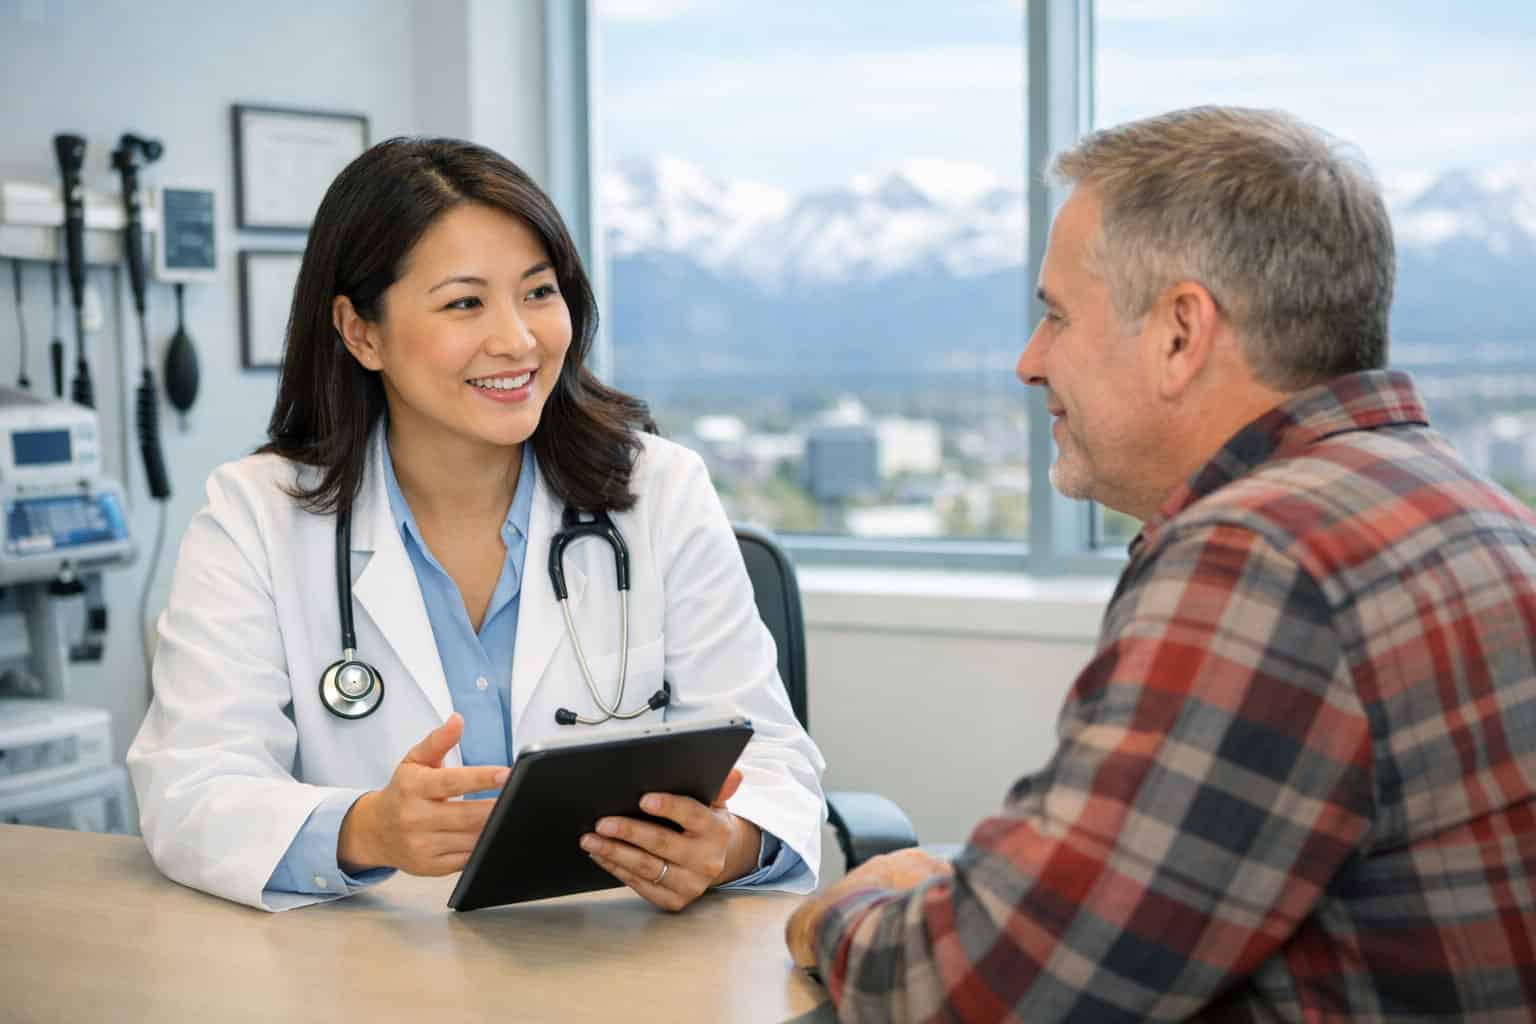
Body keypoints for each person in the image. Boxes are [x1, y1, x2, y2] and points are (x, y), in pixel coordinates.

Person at [786, 106, 1536, 1020]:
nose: (1028, 363)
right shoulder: (1468, 508)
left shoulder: (1265, 562)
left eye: (1056, 317)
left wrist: (851, 907)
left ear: (1181, 333)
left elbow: (996, 988)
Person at [128, 137, 825, 912]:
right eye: (465, 303)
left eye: (539, 292)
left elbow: (772, 758)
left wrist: (727, 844)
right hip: (373, 962)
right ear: (361, 332)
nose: (518, 340)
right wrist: (365, 831)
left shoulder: (660, 491)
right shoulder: (255, 516)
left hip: (621, 950)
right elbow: (190, 787)